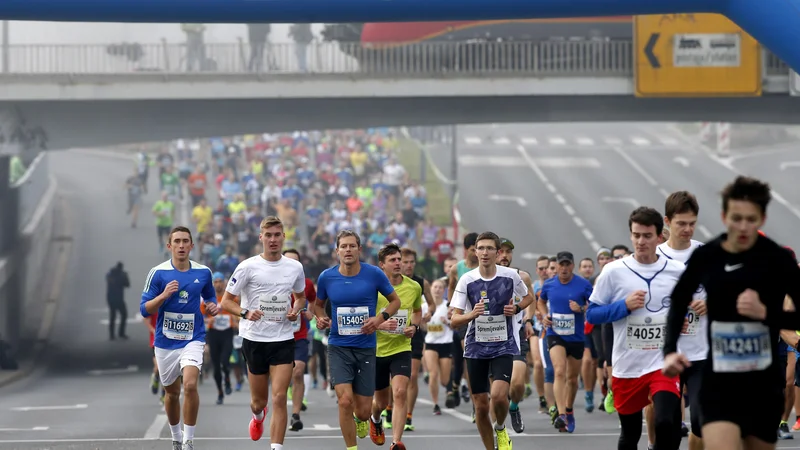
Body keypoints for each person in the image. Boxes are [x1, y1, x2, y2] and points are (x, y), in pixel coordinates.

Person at [663, 176, 800, 450]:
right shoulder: (708, 255)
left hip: (762, 383)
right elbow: (679, 300)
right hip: (719, 381)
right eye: (736, 218)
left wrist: (767, 314)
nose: (743, 226)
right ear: (725, 216)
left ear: (761, 218)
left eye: (751, 219)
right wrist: (670, 350)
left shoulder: (779, 260)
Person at [586, 207, 684, 450]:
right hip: (627, 365)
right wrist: (623, 306)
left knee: (665, 420)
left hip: (663, 363)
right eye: (636, 235)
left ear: (660, 236)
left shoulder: (677, 271)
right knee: (630, 435)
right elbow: (592, 315)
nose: (641, 241)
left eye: (647, 236)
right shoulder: (613, 272)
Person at [219, 216, 308, 449]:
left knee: (279, 397)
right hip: (254, 339)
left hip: (283, 339)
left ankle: (276, 447)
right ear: (261, 237)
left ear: (283, 237)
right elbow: (226, 302)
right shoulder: (247, 266)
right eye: (268, 235)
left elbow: (300, 298)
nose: (273, 240)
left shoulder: (294, 267)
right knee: (259, 401)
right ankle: (258, 416)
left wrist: (295, 310)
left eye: (277, 235)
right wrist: (245, 312)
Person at [313, 230, 402, 450]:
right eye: (343, 246)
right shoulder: (327, 276)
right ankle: (351, 448)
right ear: (337, 251)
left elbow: (395, 301)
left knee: (362, 411)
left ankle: (363, 419)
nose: (348, 250)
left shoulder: (374, 274)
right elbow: (317, 305)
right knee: (344, 401)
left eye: (352, 246)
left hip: (366, 348)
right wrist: (322, 318)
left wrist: (379, 319)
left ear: (359, 249)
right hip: (339, 346)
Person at [450, 231, 535, 450]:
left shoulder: (510, 276)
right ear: (475, 252)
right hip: (476, 348)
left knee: (498, 396)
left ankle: (500, 428)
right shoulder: (467, 280)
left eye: (490, 248)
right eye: (481, 248)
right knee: (480, 406)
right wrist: (471, 315)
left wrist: (516, 308)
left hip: (503, 345)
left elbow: (528, 298)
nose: (485, 252)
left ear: (497, 253)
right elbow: (454, 320)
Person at [140, 226, 219, 450]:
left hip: (193, 338)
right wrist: (164, 295)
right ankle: (176, 436)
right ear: (170, 246)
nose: (182, 245)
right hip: (165, 342)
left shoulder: (203, 272)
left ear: (192, 246)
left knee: (191, 385)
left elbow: (210, 296)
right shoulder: (158, 273)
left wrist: (212, 305)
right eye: (177, 242)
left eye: (186, 241)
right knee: (172, 393)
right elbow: (145, 309)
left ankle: (188, 441)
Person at [657, 190, 707, 449]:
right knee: (668, 423)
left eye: (692, 223)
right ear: (667, 221)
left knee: (700, 422)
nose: (688, 229)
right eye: (681, 224)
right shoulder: (655, 257)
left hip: (700, 355)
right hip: (666, 356)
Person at [368, 244, 423, 450]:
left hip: (401, 348)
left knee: (400, 392)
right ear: (382, 265)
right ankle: (375, 419)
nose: (398, 263)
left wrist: (414, 326)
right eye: (393, 260)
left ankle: (396, 441)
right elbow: (363, 317)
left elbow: (417, 311)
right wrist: (379, 323)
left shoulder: (414, 287)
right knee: (380, 403)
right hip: (376, 350)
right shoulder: (373, 289)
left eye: (399, 259)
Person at [538, 251, 593, 433]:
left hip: (576, 337)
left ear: (572, 266)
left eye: (567, 264)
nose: (563, 268)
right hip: (555, 334)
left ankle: (569, 410)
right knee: (559, 371)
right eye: (561, 264)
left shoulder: (583, 285)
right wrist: (545, 315)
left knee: (573, 379)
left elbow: (594, 305)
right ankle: (561, 414)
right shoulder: (549, 284)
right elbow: (541, 301)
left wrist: (582, 308)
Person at [496, 237, 536, 433]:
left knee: (518, 384)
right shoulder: (480, 278)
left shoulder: (522, 277)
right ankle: (500, 431)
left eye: (508, 252)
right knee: (498, 393)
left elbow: (532, 299)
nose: (504, 256)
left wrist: (528, 320)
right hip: (490, 338)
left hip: (516, 335)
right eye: (501, 252)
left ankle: (514, 407)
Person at [282, 248, 318, 432]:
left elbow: (312, 299)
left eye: (295, 262)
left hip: (299, 335)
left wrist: (310, 311)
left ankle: (295, 415)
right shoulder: (272, 281)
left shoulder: (307, 284)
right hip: (276, 336)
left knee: (298, 371)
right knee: (284, 375)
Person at [203, 272, 236, 405]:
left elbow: (238, 311)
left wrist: (235, 319)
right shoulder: (207, 299)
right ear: (212, 284)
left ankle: (227, 377)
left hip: (227, 333)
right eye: (215, 282)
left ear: (224, 283)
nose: (218, 284)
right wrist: (208, 320)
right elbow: (201, 317)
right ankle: (220, 392)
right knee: (216, 366)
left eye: (220, 281)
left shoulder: (231, 298)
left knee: (225, 361)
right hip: (213, 334)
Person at [106, 261, 131, 340]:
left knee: (112, 315)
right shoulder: (122, 275)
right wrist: (126, 276)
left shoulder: (109, 274)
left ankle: (111, 335)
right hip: (119, 298)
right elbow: (127, 285)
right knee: (124, 314)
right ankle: (121, 333)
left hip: (110, 297)